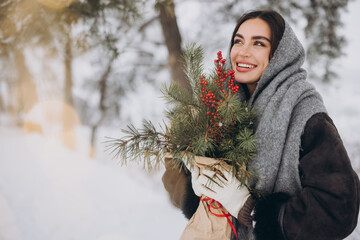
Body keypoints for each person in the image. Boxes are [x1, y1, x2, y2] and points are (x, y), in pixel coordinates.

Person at [162, 9, 360, 240]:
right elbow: (173, 179)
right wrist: (194, 189)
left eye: (259, 43)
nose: (243, 52)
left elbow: (339, 209)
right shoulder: (218, 105)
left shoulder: (304, 112)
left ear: (279, 54)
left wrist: (249, 208)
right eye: (238, 41)